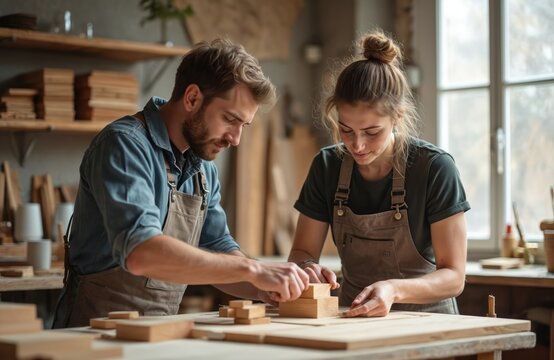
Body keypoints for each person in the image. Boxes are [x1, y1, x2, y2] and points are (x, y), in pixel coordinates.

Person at [53, 38, 309, 328]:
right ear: (192, 98)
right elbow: (141, 253)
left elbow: (218, 246)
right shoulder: (124, 145)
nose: (236, 139)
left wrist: (265, 287)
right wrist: (252, 269)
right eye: (229, 119)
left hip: (158, 335)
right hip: (92, 337)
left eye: (243, 126)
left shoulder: (202, 169)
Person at [288, 30, 469, 317]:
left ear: (397, 117)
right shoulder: (327, 166)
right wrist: (308, 269)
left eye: (372, 132)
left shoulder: (434, 168)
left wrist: (394, 289)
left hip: (428, 323)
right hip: (355, 318)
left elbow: (454, 276)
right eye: (346, 129)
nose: (357, 145)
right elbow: (301, 254)